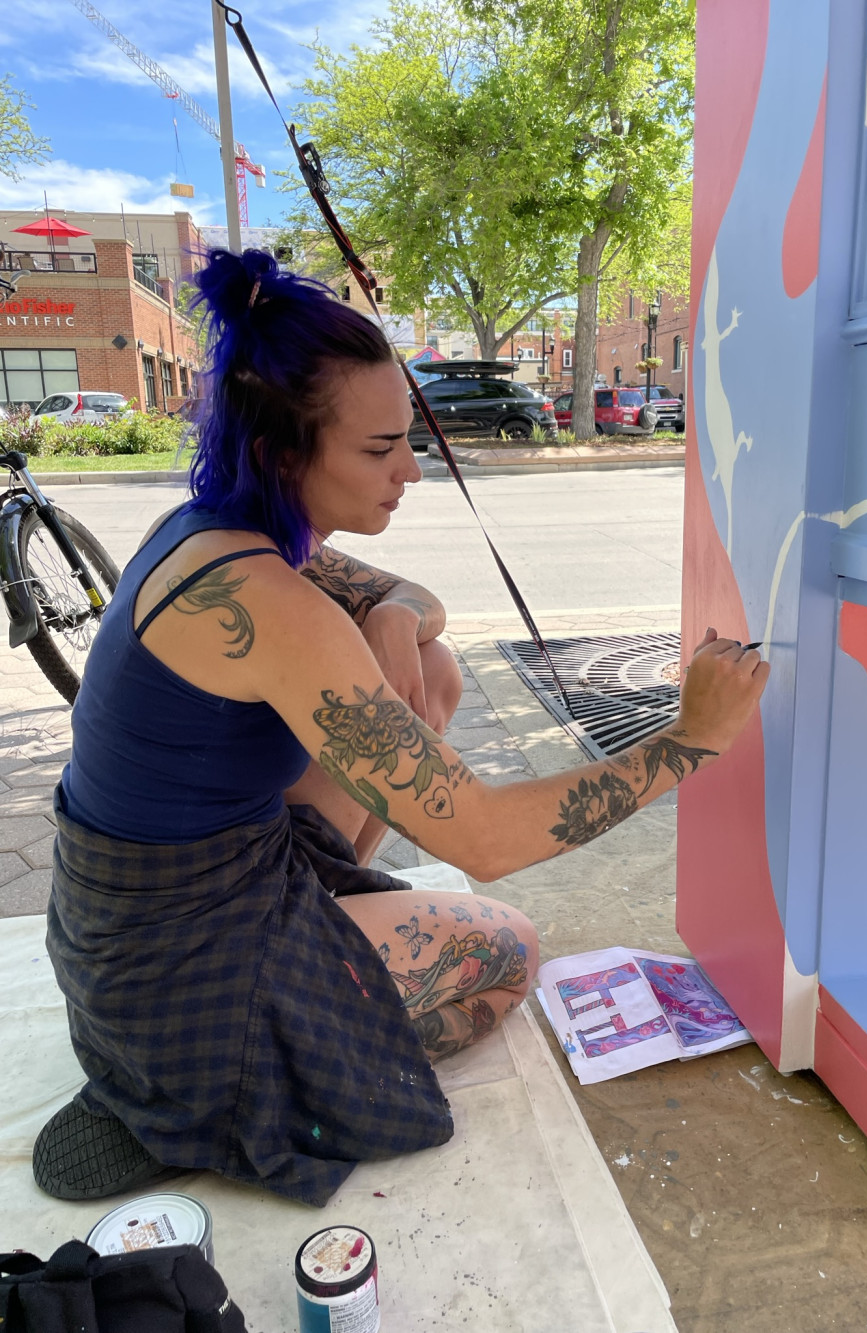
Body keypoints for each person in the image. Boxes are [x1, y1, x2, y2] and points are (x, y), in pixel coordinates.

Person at [33, 249, 769, 1207]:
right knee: (509, 953)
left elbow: (417, 601)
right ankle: (237, 1093)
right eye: (380, 450)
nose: (410, 470)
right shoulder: (270, 599)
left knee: (433, 661)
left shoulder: (213, 530)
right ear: (282, 453)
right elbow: (486, 840)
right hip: (179, 972)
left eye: (409, 440)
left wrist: (387, 617)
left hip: (141, 914)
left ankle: (272, 1030)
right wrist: (690, 740)